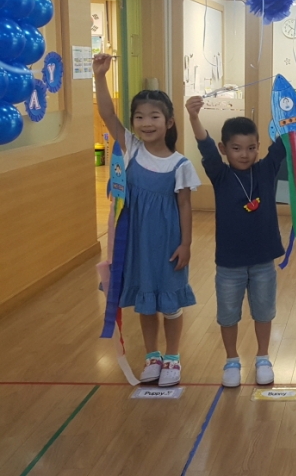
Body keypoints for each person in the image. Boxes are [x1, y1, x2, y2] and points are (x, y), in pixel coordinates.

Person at [185, 95, 296, 388]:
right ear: (224, 149)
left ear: (258, 147)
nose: (244, 154)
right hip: (229, 264)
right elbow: (204, 145)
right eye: (236, 148)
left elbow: (285, 140)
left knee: (264, 312)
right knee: (228, 315)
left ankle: (263, 358)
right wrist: (193, 117)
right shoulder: (219, 174)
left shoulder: (265, 170)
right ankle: (232, 360)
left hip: (263, 262)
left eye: (251, 148)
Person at [93, 54, 200, 387]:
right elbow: (107, 114)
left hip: (167, 244)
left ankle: (172, 357)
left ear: (169, 122)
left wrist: (186, 244)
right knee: (145, 303)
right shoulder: (132, 148)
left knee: (170, 302)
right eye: (139, 117)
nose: (146, 122)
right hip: (135, 243)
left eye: (154, 116)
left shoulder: (180, 164)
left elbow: (185, 206)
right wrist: (100, 77)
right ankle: (152, 356)